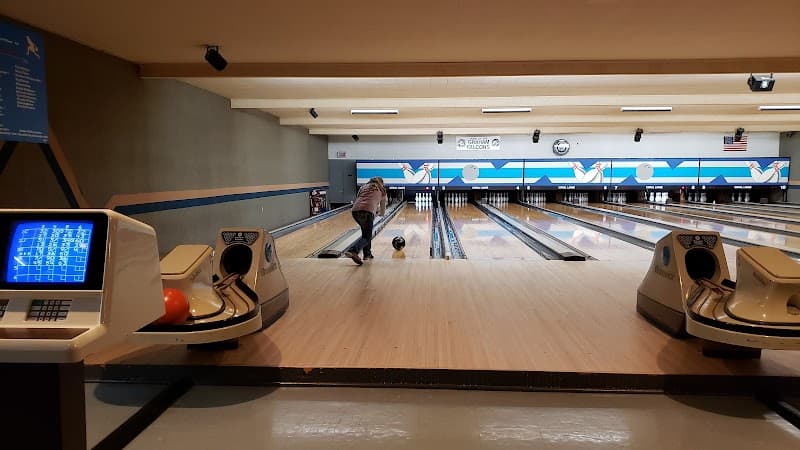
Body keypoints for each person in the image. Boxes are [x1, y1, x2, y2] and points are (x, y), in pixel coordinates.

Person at [344, 177, 387, 265]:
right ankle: (353, 250)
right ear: (381, 183)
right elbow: (382, 208)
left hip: (355, 211)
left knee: (366, 233)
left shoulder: (363, 187)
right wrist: (379, 213)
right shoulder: (382, 190)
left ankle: (367, 254)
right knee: (367, 236)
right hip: (367, 212)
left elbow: (359, 198)